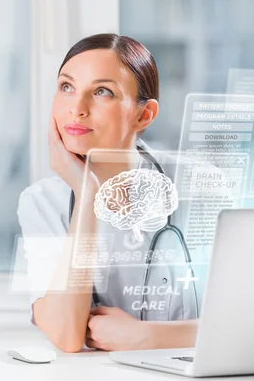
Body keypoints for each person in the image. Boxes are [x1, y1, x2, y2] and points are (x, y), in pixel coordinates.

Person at [17, 33, 201, 353]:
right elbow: (66, 334)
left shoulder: (196, 183)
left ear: (144, 115)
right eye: (66, 87)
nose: (77, 109)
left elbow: (251, 322)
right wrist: (87, 194)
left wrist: (147, 337)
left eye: (102, 91)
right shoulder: (42, 202)